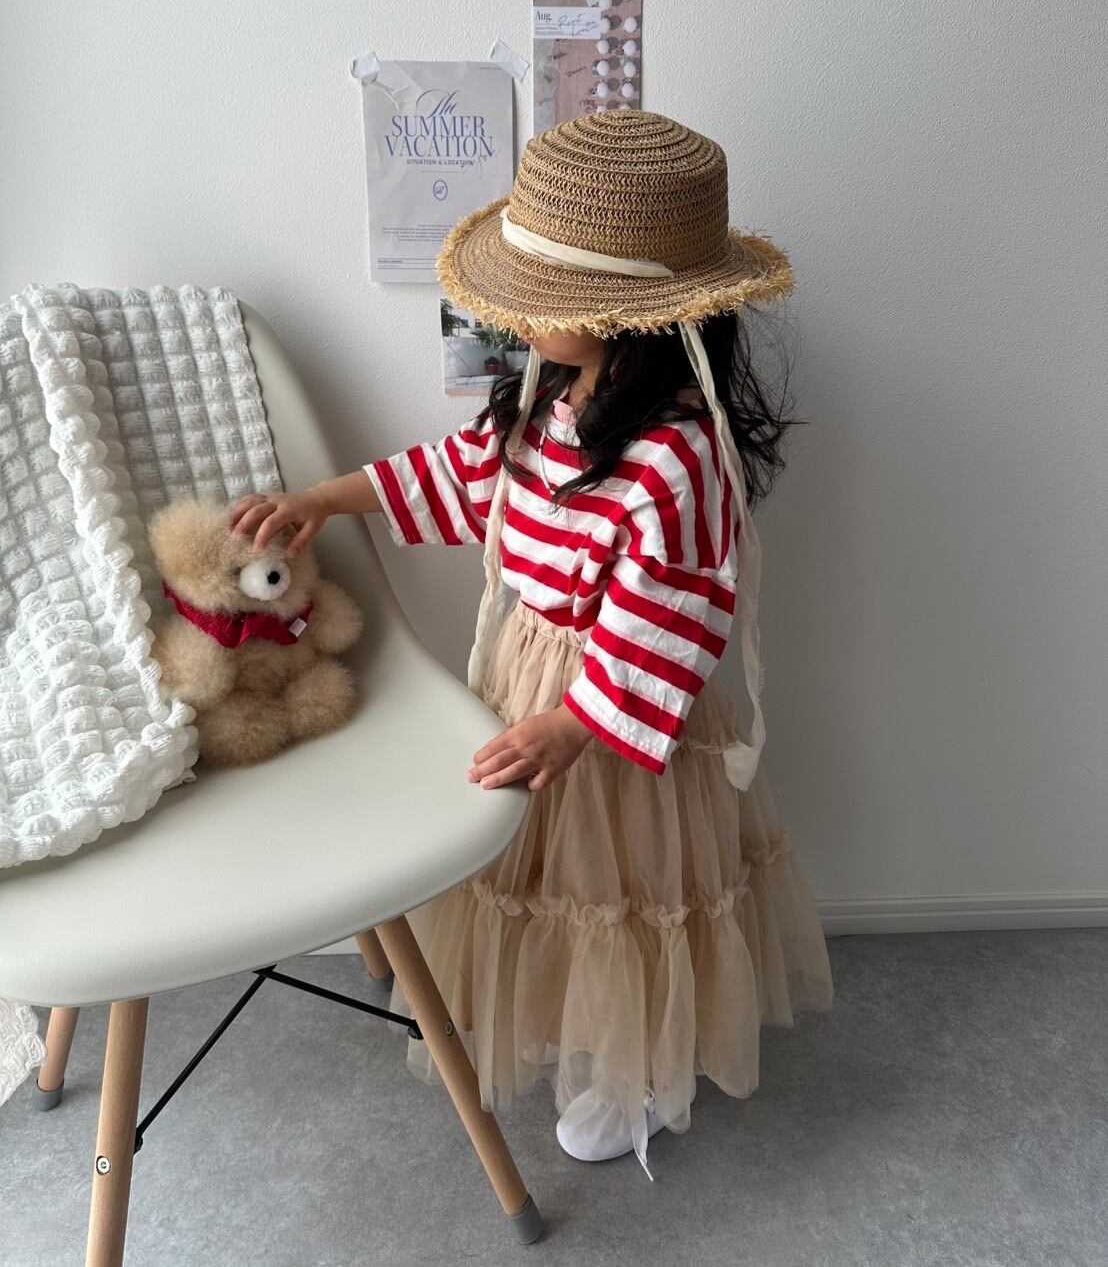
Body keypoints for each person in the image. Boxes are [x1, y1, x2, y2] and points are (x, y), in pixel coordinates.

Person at [231, 111, 833, 1177]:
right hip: (531, 673)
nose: (515, 316)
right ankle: (575, 1014)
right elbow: (469, 479)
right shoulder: (550, 398)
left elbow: (673, 608)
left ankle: (640, 1065)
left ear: (618, 317)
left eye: (540, 299)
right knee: (543, 870)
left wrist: (578, 719)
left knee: (625, 885)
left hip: (616, 709)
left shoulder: (678, 455)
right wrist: (328, 497)